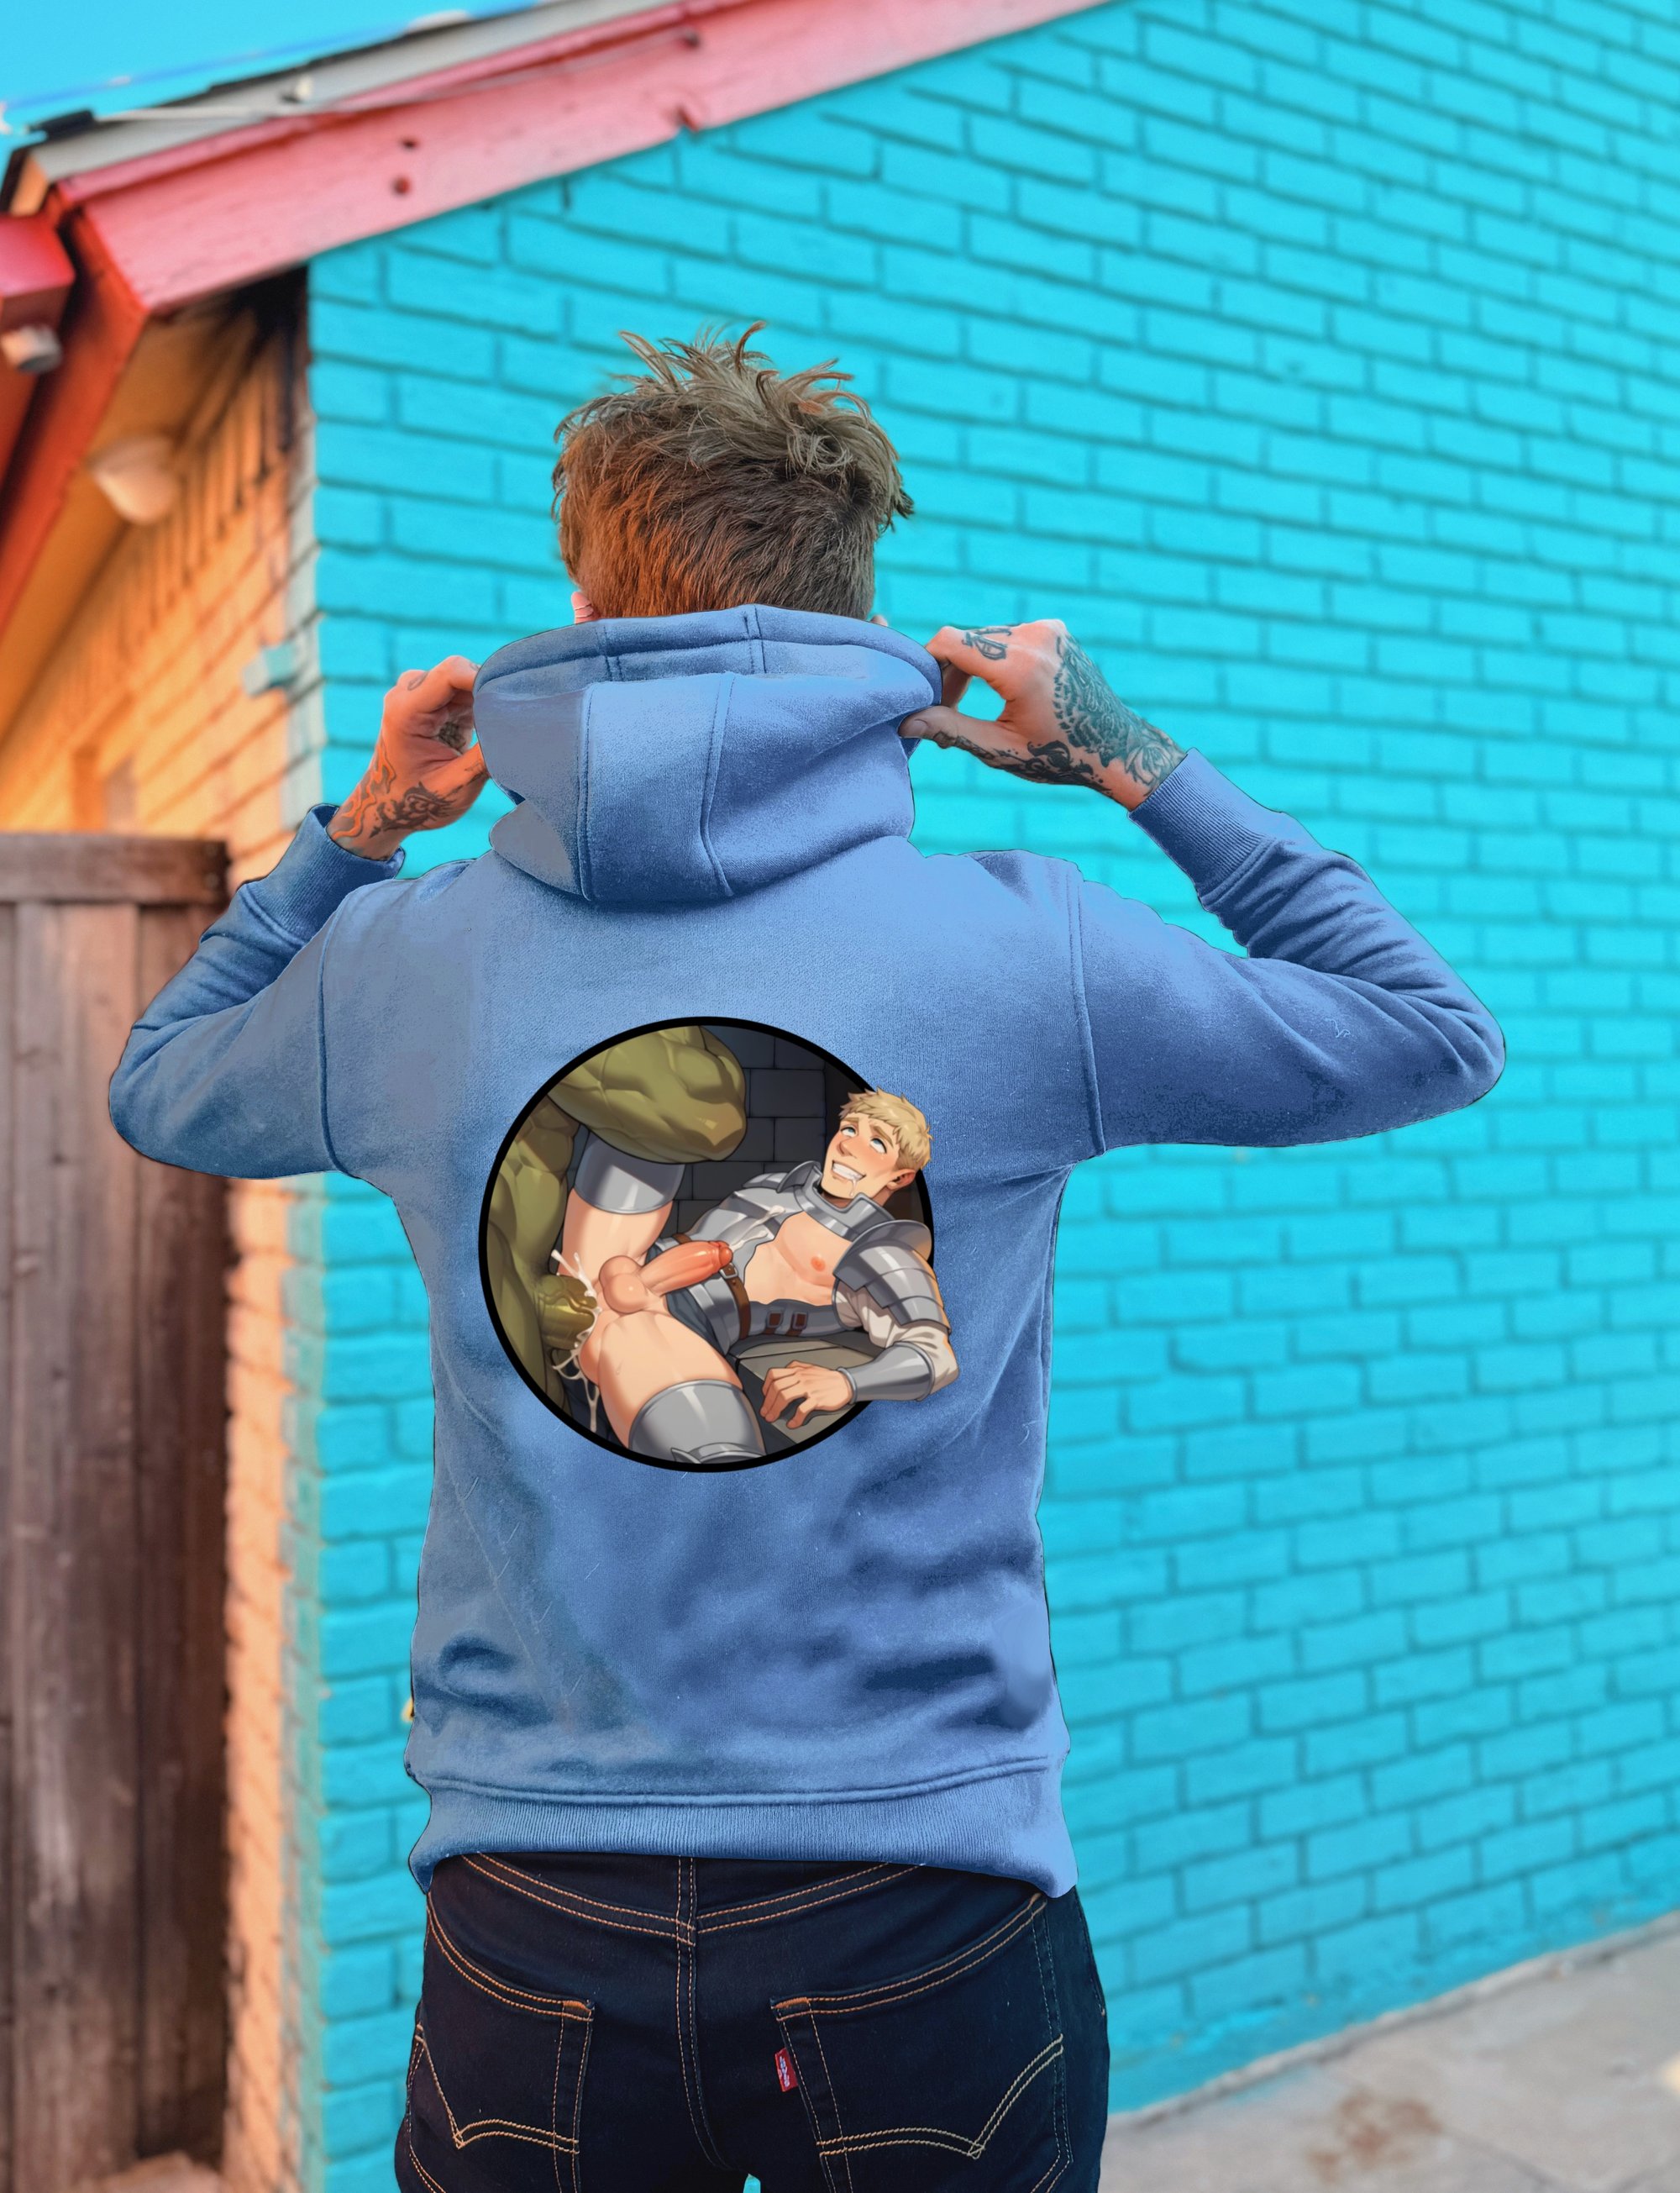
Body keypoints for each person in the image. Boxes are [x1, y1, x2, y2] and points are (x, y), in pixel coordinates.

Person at [108, 325, 1504, 2191]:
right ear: (857, 613)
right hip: (921, 1893)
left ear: (584, 606)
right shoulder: (1025, 947)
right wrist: (1124, 757)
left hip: (535, 1898)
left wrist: (360, 833)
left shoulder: (400, 965)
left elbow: (161, 1083)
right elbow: (1429, 1032)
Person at [566, 1085, 957, 1464]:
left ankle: (720, 1471)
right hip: (627, 1259)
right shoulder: (780, 1185)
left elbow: (935, 1356)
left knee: (623, 1332)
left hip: (676, 1323)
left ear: (900, 1177)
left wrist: (847, 1382)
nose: (848, 1146)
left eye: (877, 1143)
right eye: (850, 1129)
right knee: (658, 1116)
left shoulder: (882, 1248)